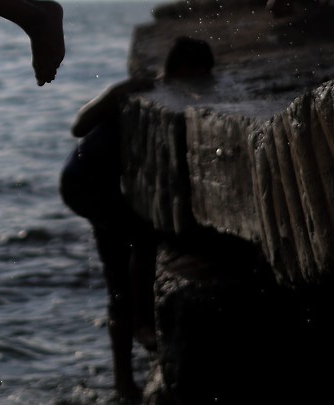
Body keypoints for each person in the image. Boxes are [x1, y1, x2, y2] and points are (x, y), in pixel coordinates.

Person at [60, 37, 215, 401]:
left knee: (118, 274)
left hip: (98, 187)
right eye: (200, 76)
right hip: (86, 184)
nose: (203, 84)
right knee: (143, 238)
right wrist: (119, 90)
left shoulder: (163, 91)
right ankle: (143, 325)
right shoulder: (141, 90)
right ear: (183, 70)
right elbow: (79, 126)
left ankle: (123, 382)